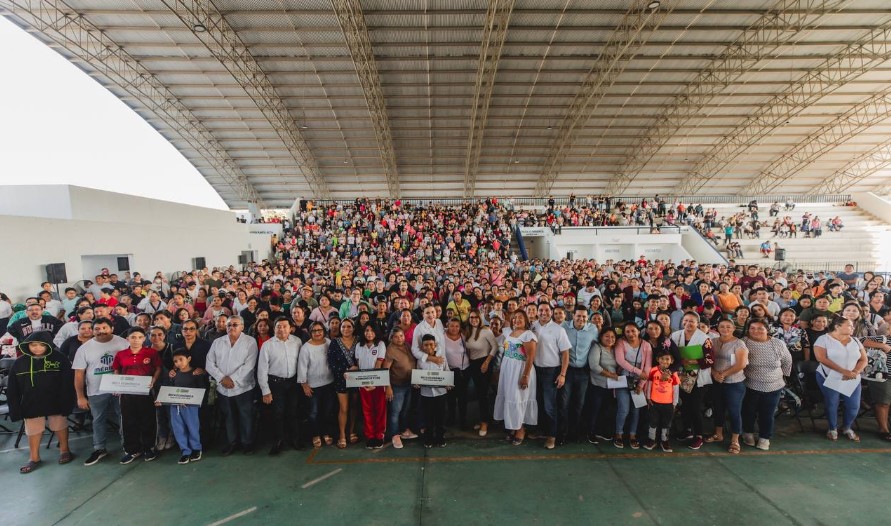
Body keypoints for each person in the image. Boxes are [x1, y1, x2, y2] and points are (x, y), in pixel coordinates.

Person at [7, 332, 75, 474]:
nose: (37, 348)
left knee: (59, 425)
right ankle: (34, 458)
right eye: (33, 345)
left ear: (48, 345)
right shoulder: (19, 363)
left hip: (56, 400)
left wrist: (68, 402)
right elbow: (13, 388)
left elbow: (68, 383)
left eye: (41, 345)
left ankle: (65, 450)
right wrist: (15, 408)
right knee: (33, 430)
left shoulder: (60, 359)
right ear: (27, 346)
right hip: (31, 402)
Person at [72, 318, 128, 466]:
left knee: (124, 416)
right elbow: (79, 374)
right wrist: (80, 396)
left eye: (104, 328)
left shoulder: (123, 343)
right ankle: (99, 448)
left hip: (120, 389)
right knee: (98, 420)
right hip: (96, 391)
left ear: (112, 328)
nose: (101, 331)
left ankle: (127, 445)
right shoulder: (84, 348)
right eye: (97, 329)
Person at [205, 315, 259, 455]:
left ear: (242, 326)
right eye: (229, 325)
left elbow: (249, 365)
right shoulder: (218, 342)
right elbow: (209, 363)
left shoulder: (250, 341)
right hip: (223, 388)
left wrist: (233, 379)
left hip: (243, 388)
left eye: (235, 325)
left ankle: (247, 444)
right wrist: (222, 378)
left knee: (245, 416)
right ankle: (232, 443)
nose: (231, 327)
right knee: (229, 417)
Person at [741, 319, 793, 451]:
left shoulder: (777, 343)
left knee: (767, 413)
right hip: (750, 384)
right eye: (752, 328)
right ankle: (748, 433)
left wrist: (784, 378)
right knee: (749, 411)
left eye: (760, 328)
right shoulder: (744, 342)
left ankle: (765, 437)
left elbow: (787, 361)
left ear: (767, 329)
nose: (755, 331)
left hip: (774, 385)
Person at [813, 316, 868, 442]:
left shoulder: (855, 341)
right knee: (832, 402)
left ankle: (847, 427)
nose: (852, 328)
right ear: (837, 326)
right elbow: (821, 358)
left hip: (852, 377)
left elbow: (863, 359)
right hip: (828, 375)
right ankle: (832, 428)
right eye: (849, 325)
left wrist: (855, 371)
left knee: (854, 405)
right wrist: (844, 371)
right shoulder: (823, 339)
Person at [112, 327, 162, 464]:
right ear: (127, 339)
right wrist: (118, 383)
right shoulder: (121, 354)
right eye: (133, 337)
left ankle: (149, 448)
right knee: (129, 421)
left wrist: (153, 380)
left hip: (145, 392)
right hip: (127, 393)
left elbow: (158, 368)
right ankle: (132, 450)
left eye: (139, 337)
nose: (136, 340)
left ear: (144, 339)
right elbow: (116, 369)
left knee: (148, 420)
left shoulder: (151, 353)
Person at [257, 317, 303, 455]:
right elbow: (262, 370)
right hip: (275, 384)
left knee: (293, 412)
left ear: (290, 328)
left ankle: (295, 439)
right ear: (274, 328)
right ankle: (278, 441)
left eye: (284, 326)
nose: (281, 329)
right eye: (278, 326)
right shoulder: (268, 345)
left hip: (293, 383)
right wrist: (265, 391)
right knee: (278, 413)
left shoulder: (297, 342)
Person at [670, 312, 714, 450]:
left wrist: (691, 360)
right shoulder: (675, 335)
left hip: (699, 377)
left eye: (692, 321)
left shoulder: (704, 338)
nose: (688, 323)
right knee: (685, 405)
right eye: (686, 320)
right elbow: (669, 354)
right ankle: (687, 430)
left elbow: (710, 359)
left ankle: (699, 436)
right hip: (682, 376)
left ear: (697, 323)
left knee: (695, 407)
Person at [494, 311, 538, 446]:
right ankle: (513, 426)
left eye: (520, 318)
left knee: (518, 398)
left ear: (525, 320)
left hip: (520, 370)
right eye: (515, 318)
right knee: (509, 397)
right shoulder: (509, 333)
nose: (517, 320)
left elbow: (530, 358)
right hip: (508, 369)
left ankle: (521, 429)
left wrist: (525, 376)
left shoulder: (528, 335)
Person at [531, 302, 571, 449]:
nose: (543, 313)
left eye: (546, 310)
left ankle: (551, 436)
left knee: (550, 406)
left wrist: (563, 374)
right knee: (538, 403)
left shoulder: (558, 330)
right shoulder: (532, 326)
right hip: (535, 370)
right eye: (540, 310)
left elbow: (565, 353)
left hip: (551, 371)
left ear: (551, 312)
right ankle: (541, 430)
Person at [707, 319, 749, 454]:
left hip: (734, 383)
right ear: (718, 328)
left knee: (734, 411)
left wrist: (723, 374)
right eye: (722, 326)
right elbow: (708, 361)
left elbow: (740, 364)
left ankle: (735, 439)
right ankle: (718, 434)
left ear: (733, 328)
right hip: (716, 381)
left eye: (728, 327)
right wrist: (714, 373)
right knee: (717, 408)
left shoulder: (739, 343)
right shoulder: (713, 342)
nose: (725, 329)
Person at [559, 305, 598, 443]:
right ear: (573, 316)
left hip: (583, 372)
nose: (581, 319)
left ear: (587, 318)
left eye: (584, 316)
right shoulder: (564, 327)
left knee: (579, 404)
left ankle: (574, 433)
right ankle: (562, 433)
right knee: (564, 403)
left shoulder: (593, 329)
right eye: (578, 316)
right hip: (567, 370)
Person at [158, 349, 204, 464]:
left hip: (191, 407)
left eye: (181, 360)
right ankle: (185, 451)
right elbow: (170, 390)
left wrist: (188, 400)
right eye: (175, 361)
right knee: (178, 429)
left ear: (188, 359)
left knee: (192, 428)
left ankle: (196, 449)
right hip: (175, 407)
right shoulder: (174, 374)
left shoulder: (196, 373)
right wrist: (162, 400)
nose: (178, 363)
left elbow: (201, 390)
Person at [613, 322, 652, 449]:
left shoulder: (646, 345)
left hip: (638, 381)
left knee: (636, 409)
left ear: (638, 331)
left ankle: (632, 435)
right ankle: (618, 434)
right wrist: (638, 371)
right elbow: (620, 361)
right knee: (623, 408)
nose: (631, 334)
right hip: (622, 379)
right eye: (627, 331)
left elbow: (648, 366)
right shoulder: (620, 342)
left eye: (633, 331)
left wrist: (641, 384)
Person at [298, 321, 336, 449]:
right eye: (314, 330)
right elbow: (302, 367)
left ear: (324, 331)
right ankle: (315, 435)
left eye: (320, 330)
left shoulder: (329, 343)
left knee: (327, 411)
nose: (317, 333)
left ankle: (326, 433)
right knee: (313, 413)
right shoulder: (306, 348)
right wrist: (304, 384)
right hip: (313, 386)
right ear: (310, 332)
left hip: (329, 383)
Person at [463, 311, 499, 437]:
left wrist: (487, 362)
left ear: (480, 318)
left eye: (476, 317)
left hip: (484, 363)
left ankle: (485, 422)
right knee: (479, 393)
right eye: (471, 317)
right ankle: (484, 418)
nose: (473, 319)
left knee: (483, 393)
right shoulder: (467, 331)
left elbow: (495, 347)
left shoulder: (486, 330)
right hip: (473, 364)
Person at [327, 318, 360, 448]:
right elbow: (332, 363)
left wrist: (357, 368)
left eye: (349, 327)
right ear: (340, 329)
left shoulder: (359, 341)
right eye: (343, 327)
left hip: (357, 378)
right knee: (344, 408)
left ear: (353, 328)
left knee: (354, 406)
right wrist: (345, 370)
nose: (346, 329)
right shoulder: (334, 342)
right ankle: (342, 434)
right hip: (341, 379)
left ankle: (351, 431)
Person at [383, 326, 417, 448]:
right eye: (396, 337)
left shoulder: (407, 345)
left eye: (401, 336)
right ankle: (395, 435)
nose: (399, 338)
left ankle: (403, 431)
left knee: (405, 410)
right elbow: (385, 370)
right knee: (395, 412)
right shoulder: (390, 350)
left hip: (409, 383)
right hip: (397, 386)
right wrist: (388, 387)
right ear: (391, 338)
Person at [356, 324, 387, 449]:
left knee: (379, 410)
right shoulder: (359, 346)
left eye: (372, 330)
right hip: (364, 384)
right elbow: (358, 365)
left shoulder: (380, 344)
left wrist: (373, 382)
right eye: (367, 330)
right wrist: (364, 382)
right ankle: (370, 436)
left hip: (378, 383)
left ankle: (379, 435)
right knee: (367, 410)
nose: (369, 333)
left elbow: (379, 364)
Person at [416, 334, 450, 448]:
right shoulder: (420, 361)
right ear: (422, 346)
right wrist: (416, 382)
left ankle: (440, 436)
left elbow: (447, 372)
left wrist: (448, 383)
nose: (429, 347)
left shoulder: (442, 358)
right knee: (428, 417)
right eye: (426, 345)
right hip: (426, 394)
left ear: (435, 345)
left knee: (441, 416)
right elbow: (417, 375)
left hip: (441, 393)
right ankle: (428, 437)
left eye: (431, 344)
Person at [587, 328, 619, 443]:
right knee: (594, 409)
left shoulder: (616, 349)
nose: (610, 339)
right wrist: (610, 375)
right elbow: (594, 366)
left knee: (606, 410)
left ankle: (602, 431)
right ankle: (591, 433)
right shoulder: (597, 348)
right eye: (607, 336)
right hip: (598, 384)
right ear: (601, 337)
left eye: (613, 337)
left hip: (612, 386)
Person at [643, 351, 679, 453]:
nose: (664, 361)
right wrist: (648, 397)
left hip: (668, 404)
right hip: (654, 402)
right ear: (658, 360)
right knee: (653, 422)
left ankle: (665, 441)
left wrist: (674, 403)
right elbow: (649, 384)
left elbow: (676, 388)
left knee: (666, 423)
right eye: (662, 358)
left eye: (667, 359)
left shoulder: (673, 373)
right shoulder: (653, 371)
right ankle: (651, 440)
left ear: (671, 361)